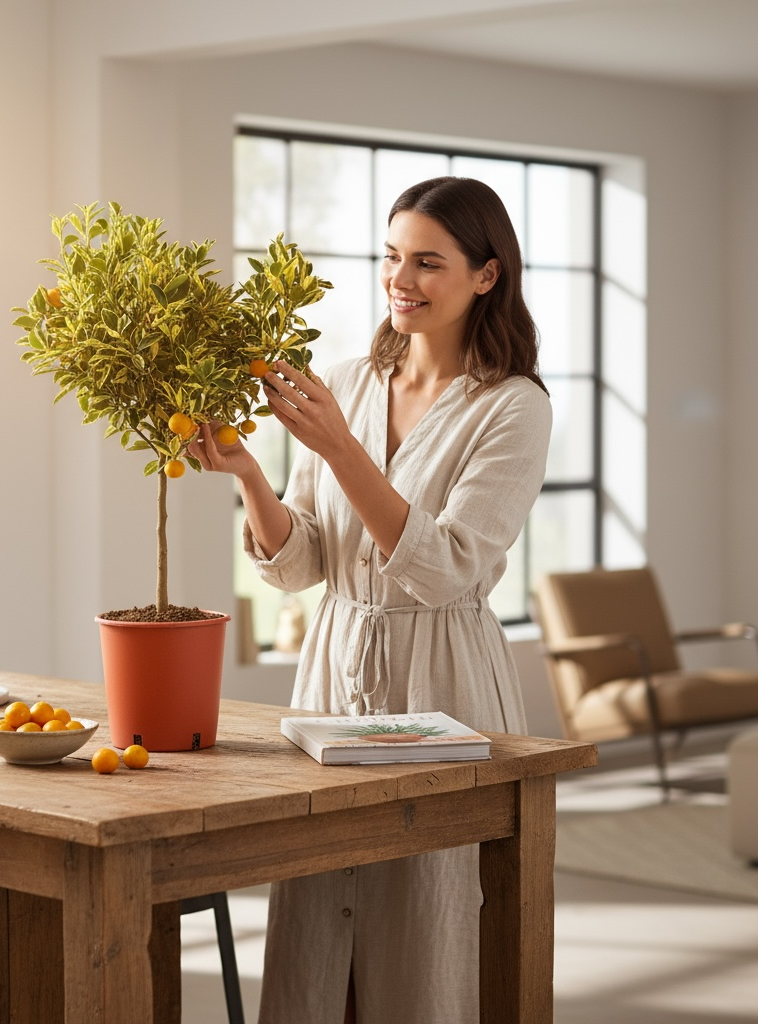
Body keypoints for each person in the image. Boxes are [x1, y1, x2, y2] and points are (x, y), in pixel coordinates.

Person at [189, 176, 551, 1024]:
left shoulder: (512, 407)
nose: (401, 278)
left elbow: (445, 568)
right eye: (391, 256)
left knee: (422, 921)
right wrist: (248, 475)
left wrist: (342, 447)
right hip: (334, 664)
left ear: (487, 275)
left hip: (442, 679)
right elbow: (303, 559)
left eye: (429, 262)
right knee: (320, 910)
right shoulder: (348, 378)